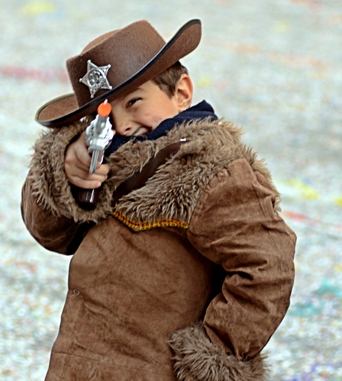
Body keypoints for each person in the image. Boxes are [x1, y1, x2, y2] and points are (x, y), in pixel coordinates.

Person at [21, 19, 296, 380]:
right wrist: (65, 172)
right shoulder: (104, 160)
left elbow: (268, 265)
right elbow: (51, 234)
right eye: (106, 115)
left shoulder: (211, 170)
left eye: (134, 102)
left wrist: (215, 352)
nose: (123, 125)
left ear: (181, 93)